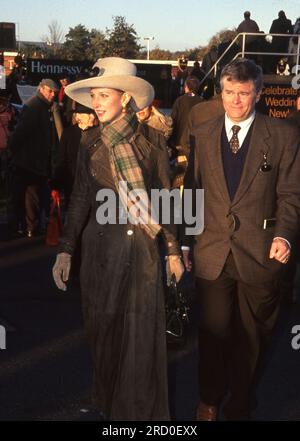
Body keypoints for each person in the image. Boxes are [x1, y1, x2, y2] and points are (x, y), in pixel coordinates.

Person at [52, 57, 184, 421]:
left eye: (103, 94)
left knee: (141, 341)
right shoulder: (89, 142)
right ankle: (109, 406)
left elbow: (166, 201)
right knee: (104, 334)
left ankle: (137, 417)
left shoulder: (153, 142)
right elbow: (79, 198)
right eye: (93, 95)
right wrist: (65, 251)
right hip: (100, 253)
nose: (96, 102)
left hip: (142, 252)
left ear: (124, 98)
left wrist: (173, 250)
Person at [182, 58, 300, 420]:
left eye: (244, 93)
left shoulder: (283, 135)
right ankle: (209, 398)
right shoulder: (202, 133)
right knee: (214, 332)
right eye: (229, 92)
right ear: (220, 91)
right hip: (212, 251)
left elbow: (292, 194)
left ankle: (240, 402)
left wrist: (285, 236)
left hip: (262, 254)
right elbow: (192, 191)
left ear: (259, 93)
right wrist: (185, 242)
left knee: (252, 338)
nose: (235, 100)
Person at [8, 78, 59, 237]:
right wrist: (12, 151)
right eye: (50, 91)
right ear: (42, 88)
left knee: (31, 195)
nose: (53, 95)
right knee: (28, 196)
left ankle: (28, 226)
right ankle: (27, 226)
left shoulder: (43, 106)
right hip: (29, 160)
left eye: (54, 93)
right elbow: (21, 133)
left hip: (34, 160)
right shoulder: (34, 106)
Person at [52, 102, 97, 209]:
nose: (77, 117)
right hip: (72, 182)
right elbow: (62, 159)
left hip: (92, 183)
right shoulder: (68, 133)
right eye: (77, 114)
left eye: (81, 114)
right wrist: (56, 184)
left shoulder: (97, 133)